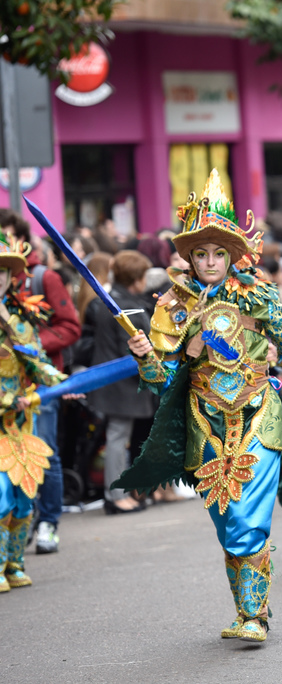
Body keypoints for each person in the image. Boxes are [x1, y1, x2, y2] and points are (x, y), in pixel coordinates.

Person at [116, 170, 282, 643]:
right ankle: (249, 608)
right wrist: (149, 358)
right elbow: (163, 381)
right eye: (201, 253)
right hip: (204, 423)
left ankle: (254, 617)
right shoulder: (172, 305)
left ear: (233, 253)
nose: (210, 261)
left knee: (249, 518)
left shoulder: (257, 292)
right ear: (189, 256)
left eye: (219, 252)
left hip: (257, 415)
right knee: (228, 519)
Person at [0, 208, 82, 555]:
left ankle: (46, 523)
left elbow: (70, 327)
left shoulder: (42, 280)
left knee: (41, 460)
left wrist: (27, 352)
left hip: (35, 392)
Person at [0, 233, 65, 593]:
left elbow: (38, 363)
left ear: (11, 278)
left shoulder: (22, 321)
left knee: (24, 499)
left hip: (24, 423)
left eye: (2, 272)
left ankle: (14, 564)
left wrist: (61, 384)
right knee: (0, 497)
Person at [78, 250, 157, 514]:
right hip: (124, 384)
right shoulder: (130, 308)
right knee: (117, 437)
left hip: (111, 380)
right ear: (136, 278)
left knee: (117, 436)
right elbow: (142, 352)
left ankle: (120, 492)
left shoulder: (109, 300)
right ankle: (115, 495)